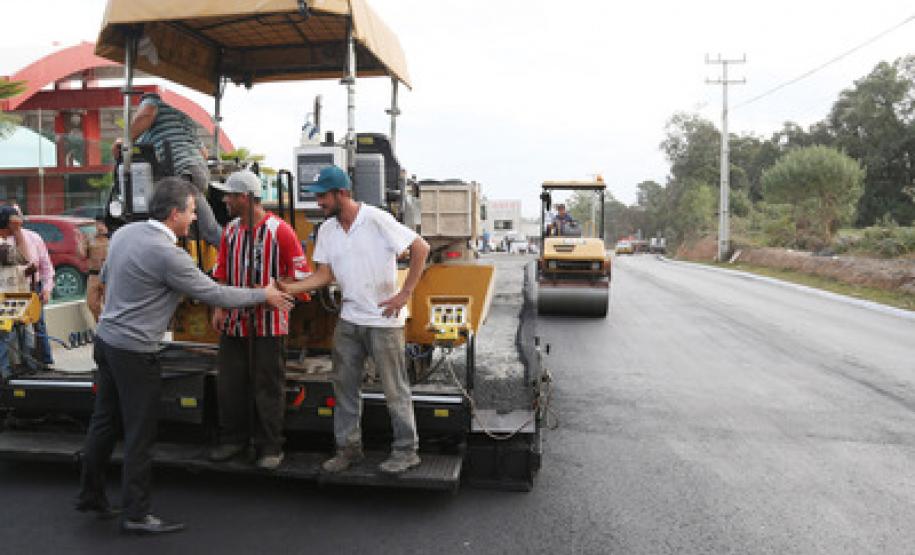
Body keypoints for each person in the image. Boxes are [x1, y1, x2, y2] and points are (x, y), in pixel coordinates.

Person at [76, 177, 293, 535]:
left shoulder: (125, 234)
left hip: (107, 343)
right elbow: (214, 293)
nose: (195, 218)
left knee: (104, 423)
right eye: (192, 212)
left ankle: (91, 494)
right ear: (174, 213)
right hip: (135, 353)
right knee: (139, 435)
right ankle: (136, 512)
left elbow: (111, 277)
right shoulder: (168, 255)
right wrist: (263, 296)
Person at [279, 165, 430, 475]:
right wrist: (289, 288)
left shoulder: (375, 219)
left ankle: (406, 451)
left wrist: (404, 295)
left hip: (383, 321)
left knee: (394, 389)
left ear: (342, 194)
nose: (318, 202)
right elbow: (324, 275)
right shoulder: (327, 231)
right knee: (344, 387)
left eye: (322, 196)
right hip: (349, 320)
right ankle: (349, 449)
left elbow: (420, 247)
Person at [207, 170, 310, 470]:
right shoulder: (230, 231)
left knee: (268, 386)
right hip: (234, 323)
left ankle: (270, 446)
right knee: (230, 384)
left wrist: (273, 291)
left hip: (269, 325)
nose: (224, 200)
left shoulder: (281, 231)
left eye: (229, 195)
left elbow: (301, 278)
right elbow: (222, 271)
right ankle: (233, 440)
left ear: (245, 198)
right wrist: (218, 306)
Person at [112, 92, 222, 247]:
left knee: (202, 229)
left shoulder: (152, 102)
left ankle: (234, 257)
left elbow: (147, 113)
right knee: (199, 227)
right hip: (197, 171)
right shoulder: (182, 119)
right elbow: (203, 153)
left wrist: (125, 140)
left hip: (183, 172)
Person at [86, 217, 109, 321]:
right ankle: (100, 324)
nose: (99, 227)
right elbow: (82, 255)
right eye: (97, 224)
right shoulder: (91, 238)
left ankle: (109, 327)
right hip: (93, 275)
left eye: (102, 224)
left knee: (109, 304)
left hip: (109, 275)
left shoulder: (113, 237)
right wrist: (80, 243)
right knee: (92, 303)